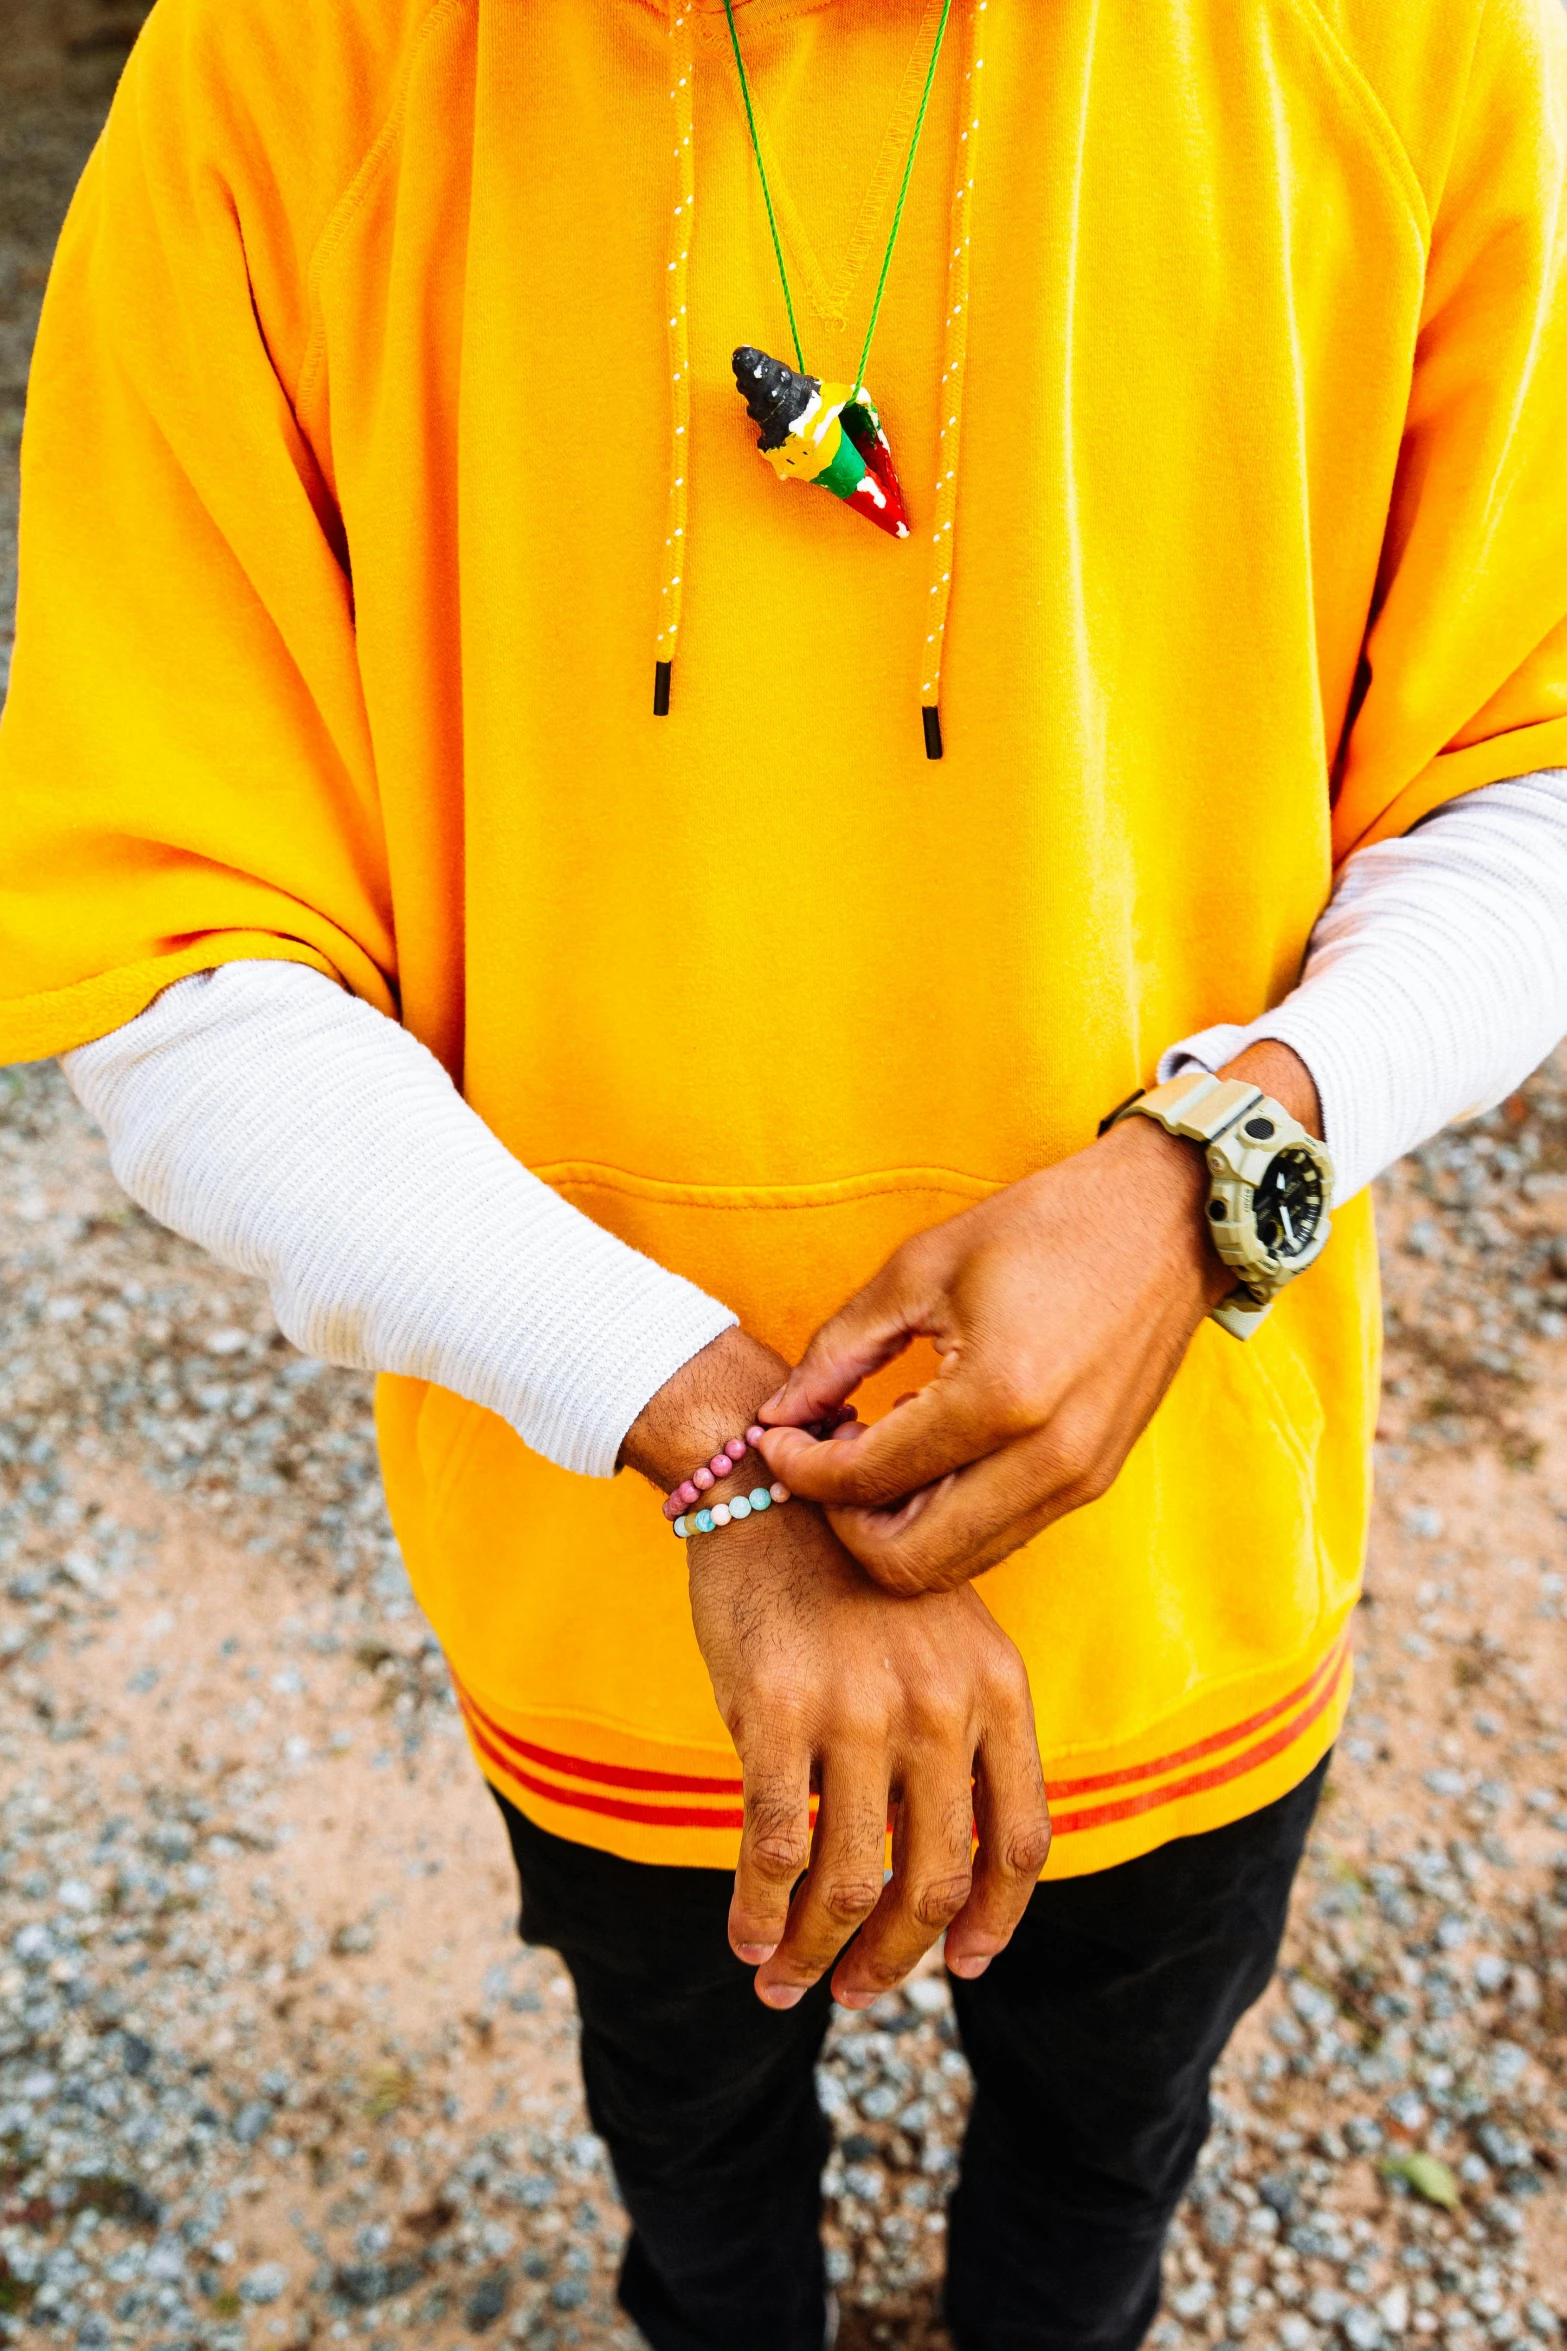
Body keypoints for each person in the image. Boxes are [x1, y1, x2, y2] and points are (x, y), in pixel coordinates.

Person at [4, 0, 1567, 2343]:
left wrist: (1216, 1156)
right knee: (696, 2152)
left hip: (1179, 1596)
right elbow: (164, 955)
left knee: (1104, 2154)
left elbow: (1526, 767)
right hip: (616, 1617)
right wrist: (710, 1440)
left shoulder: (1410, 42)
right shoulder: (281, 72)